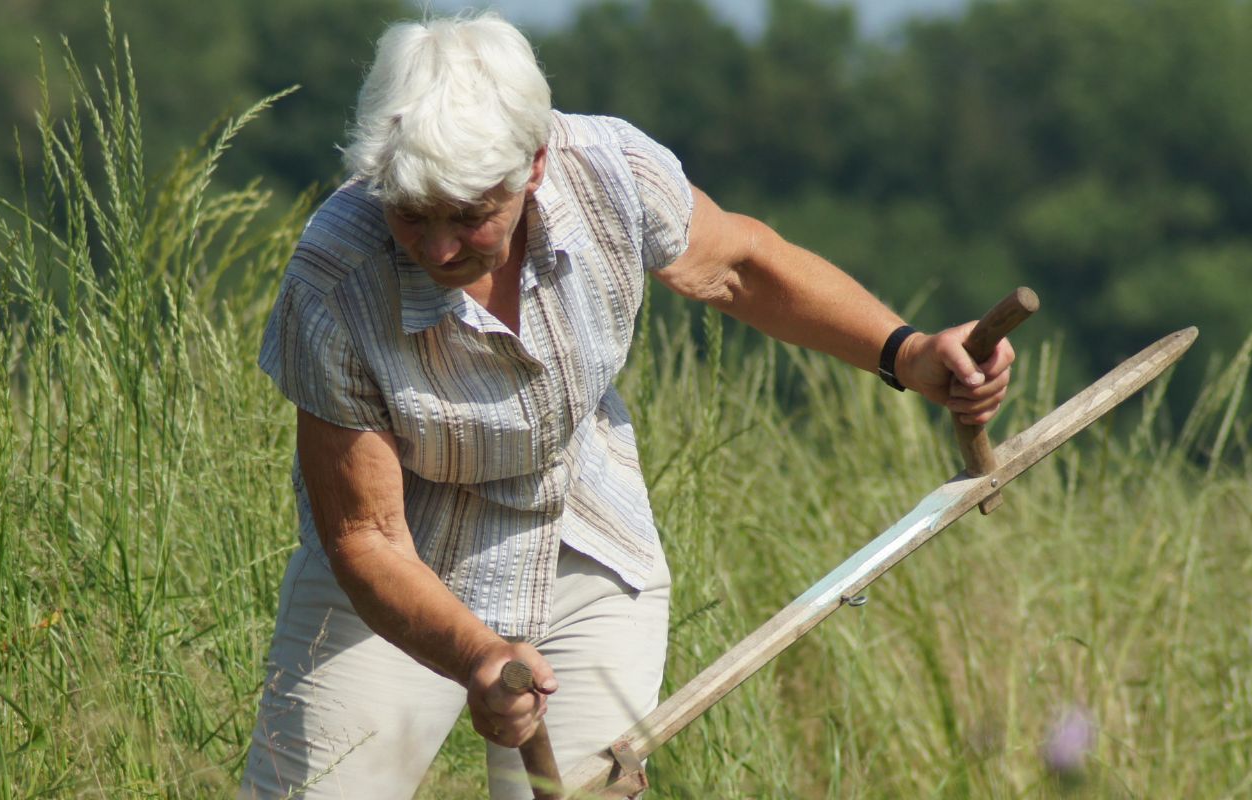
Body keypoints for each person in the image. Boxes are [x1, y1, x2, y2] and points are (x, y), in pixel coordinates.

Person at [239, 12, 1014, 799]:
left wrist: (908, 353)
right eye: (412, 213)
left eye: (470, 215)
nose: (439, 248)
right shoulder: (332, 282)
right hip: (404, 568)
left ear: (534, 165)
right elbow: (365, 537)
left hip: (585, 542)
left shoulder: (608, 170)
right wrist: (477, 656)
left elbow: (741, 268)